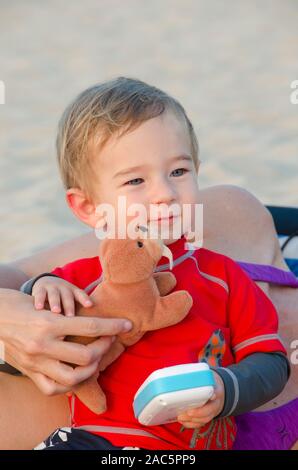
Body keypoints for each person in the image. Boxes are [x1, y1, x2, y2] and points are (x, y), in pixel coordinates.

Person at [0, 76, 291, 451]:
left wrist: (225, 388)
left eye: (179, 172)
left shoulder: (223, 277)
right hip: (92, 441)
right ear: (88, 207)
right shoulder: (86, 276)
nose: (165, 194)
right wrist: (38, 287)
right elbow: (30, 294)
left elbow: (269, 361)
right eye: (136, 180)